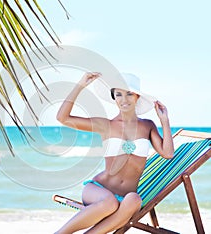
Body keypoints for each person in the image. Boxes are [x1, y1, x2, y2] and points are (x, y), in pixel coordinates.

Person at [55, 72, 174, 234]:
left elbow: (168, 153)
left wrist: (164, 121)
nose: (123, 100)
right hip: (97, 191)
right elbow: (63, 118)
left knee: (134, 199)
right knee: (110, 203)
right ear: (114, 97)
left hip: (125, 198)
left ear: (137, 97)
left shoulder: (148, 126)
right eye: (118, 94)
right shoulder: (106, 125)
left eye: (129, 94)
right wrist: (80, 85)